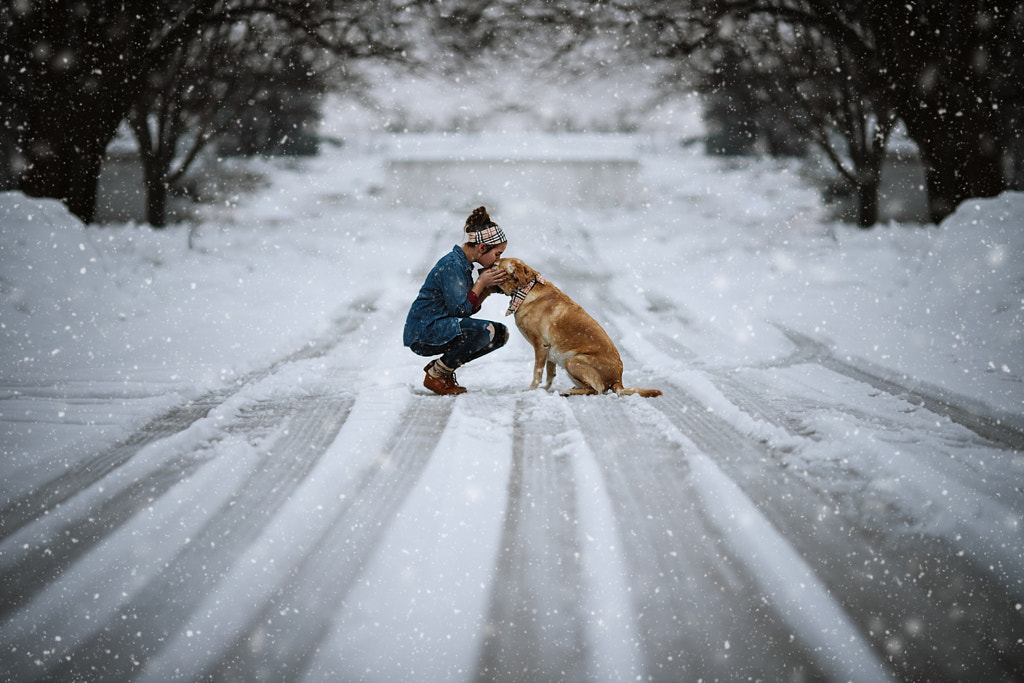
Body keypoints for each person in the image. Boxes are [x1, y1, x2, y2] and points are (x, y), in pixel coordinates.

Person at [404, 206, 510, 395]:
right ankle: (437, 374)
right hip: (424, 332)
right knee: (486, 330)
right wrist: (480, 283)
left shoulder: (464, 265)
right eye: (497, 254)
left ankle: (442, 369)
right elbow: (460, 311)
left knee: (500, 334)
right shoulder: (452, 265)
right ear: (482, 248)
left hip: (441, 327)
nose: (497, 260)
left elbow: (467, 308)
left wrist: (486, 291)